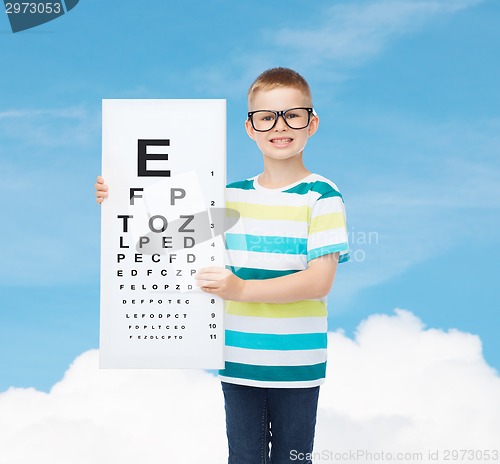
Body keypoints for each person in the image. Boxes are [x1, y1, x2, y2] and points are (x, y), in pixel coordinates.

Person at [95, 67, 349, 464]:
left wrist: (242, 290)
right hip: (237, 360)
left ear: (311, 123)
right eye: (266, 117)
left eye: (292, 115)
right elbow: (162, 237)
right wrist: (118, 196)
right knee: (243, 459)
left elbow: (319, 281)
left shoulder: (321, 196)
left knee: (294, 459)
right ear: (250, 127)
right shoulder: (227, 196)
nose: (279, 127)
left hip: (297, 364)